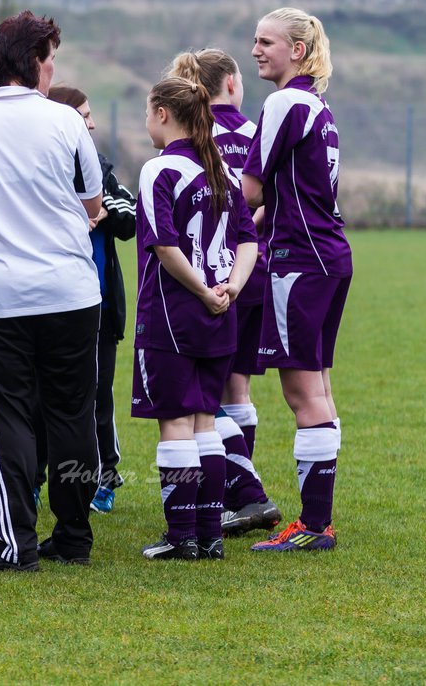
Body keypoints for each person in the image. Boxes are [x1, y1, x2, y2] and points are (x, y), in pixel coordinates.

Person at [0, 11, 103, 571]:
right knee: (73, 417)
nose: (54, 68)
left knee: (7, 419)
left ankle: (16, 545)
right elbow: (91, 206)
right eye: (51, 56)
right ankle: (75, 537)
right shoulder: (66, 123)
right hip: (72, 293)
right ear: (32, 60)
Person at [133, 76, 258, 560]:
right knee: (206, 422)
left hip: (173, 314)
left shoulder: (160, 170)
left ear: (163, 113)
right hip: (221, 314)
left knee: (176, 425)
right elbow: (248, 239)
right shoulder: (223, 172)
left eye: (148, 112)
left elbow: (164, 245)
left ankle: (181, 536)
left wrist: (204, 291)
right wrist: (231, 287)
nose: (147, 122)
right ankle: (210, 537)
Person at [242, 8, 350, 553]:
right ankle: (318, 522)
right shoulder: (319, 107)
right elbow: (286, 196)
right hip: (329, 255)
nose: (256, 49)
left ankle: (313, 526)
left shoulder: (284, 102)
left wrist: (195, 215)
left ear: (298, 51)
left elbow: (253, 191)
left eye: (267, 41)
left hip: (300, 262)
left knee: (300, 390)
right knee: (320, 388)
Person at [167, 49, 282, 535]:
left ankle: (243, 490)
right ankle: (235, 490)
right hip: (250, 274)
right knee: (237, 388)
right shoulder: (255, 134)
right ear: (231, 83)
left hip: (204, 280)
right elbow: (265, 197)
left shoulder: (192, 137)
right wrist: (244, 237)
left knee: (205, 399)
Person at [45, 85, 135, 515]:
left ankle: (105, 478)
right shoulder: (42, 167)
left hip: (98, 306)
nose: (93, 123)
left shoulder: (98, 167)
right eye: (84, 115)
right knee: (42, 398)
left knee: (97, 395)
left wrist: (101, 210)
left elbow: (130, 219)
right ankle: (36, 477)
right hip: (46, 302)